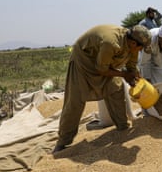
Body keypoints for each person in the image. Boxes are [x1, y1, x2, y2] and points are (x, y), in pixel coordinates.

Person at [52, 24, 152, 153]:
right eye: (141, 48)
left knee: (116, 89)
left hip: (104, 63)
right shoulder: (111, 43)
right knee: (75, 101)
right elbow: (102, 69)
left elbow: (131, 66)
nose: (140, 51)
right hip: (83, 63)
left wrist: (137, 82)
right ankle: (62, 142)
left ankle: (122, 126)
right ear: (133, 43)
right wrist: (124, 75)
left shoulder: (132, 46)